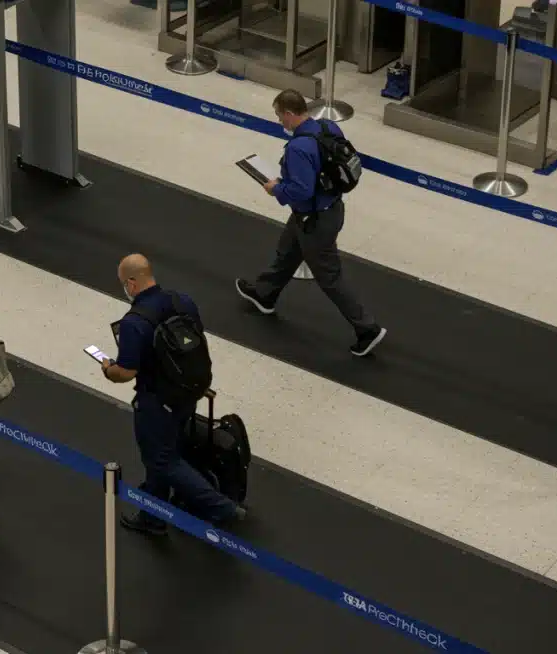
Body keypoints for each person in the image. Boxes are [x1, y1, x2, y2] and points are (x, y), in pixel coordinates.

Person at [235, 89, 387, 357]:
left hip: (315, 219)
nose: (280, 122)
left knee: (329, 277)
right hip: (330, 207)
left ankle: (367, 329)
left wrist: (276, 189)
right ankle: (264, 293)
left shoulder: (297, 148)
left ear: (290, 114)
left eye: (280, 116)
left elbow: (301, 191)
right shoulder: (327, 127)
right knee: (288, 251)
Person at [102, 254, 246, 536]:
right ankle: (153, 516)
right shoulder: (183, 301)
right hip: (188, 393)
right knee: (165, 452)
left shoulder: (134, 322)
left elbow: (126, 372)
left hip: (157, 401)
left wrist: (108, 369)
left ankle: (221, 508)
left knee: (162, 460)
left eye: (124, 283)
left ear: (132, 283)